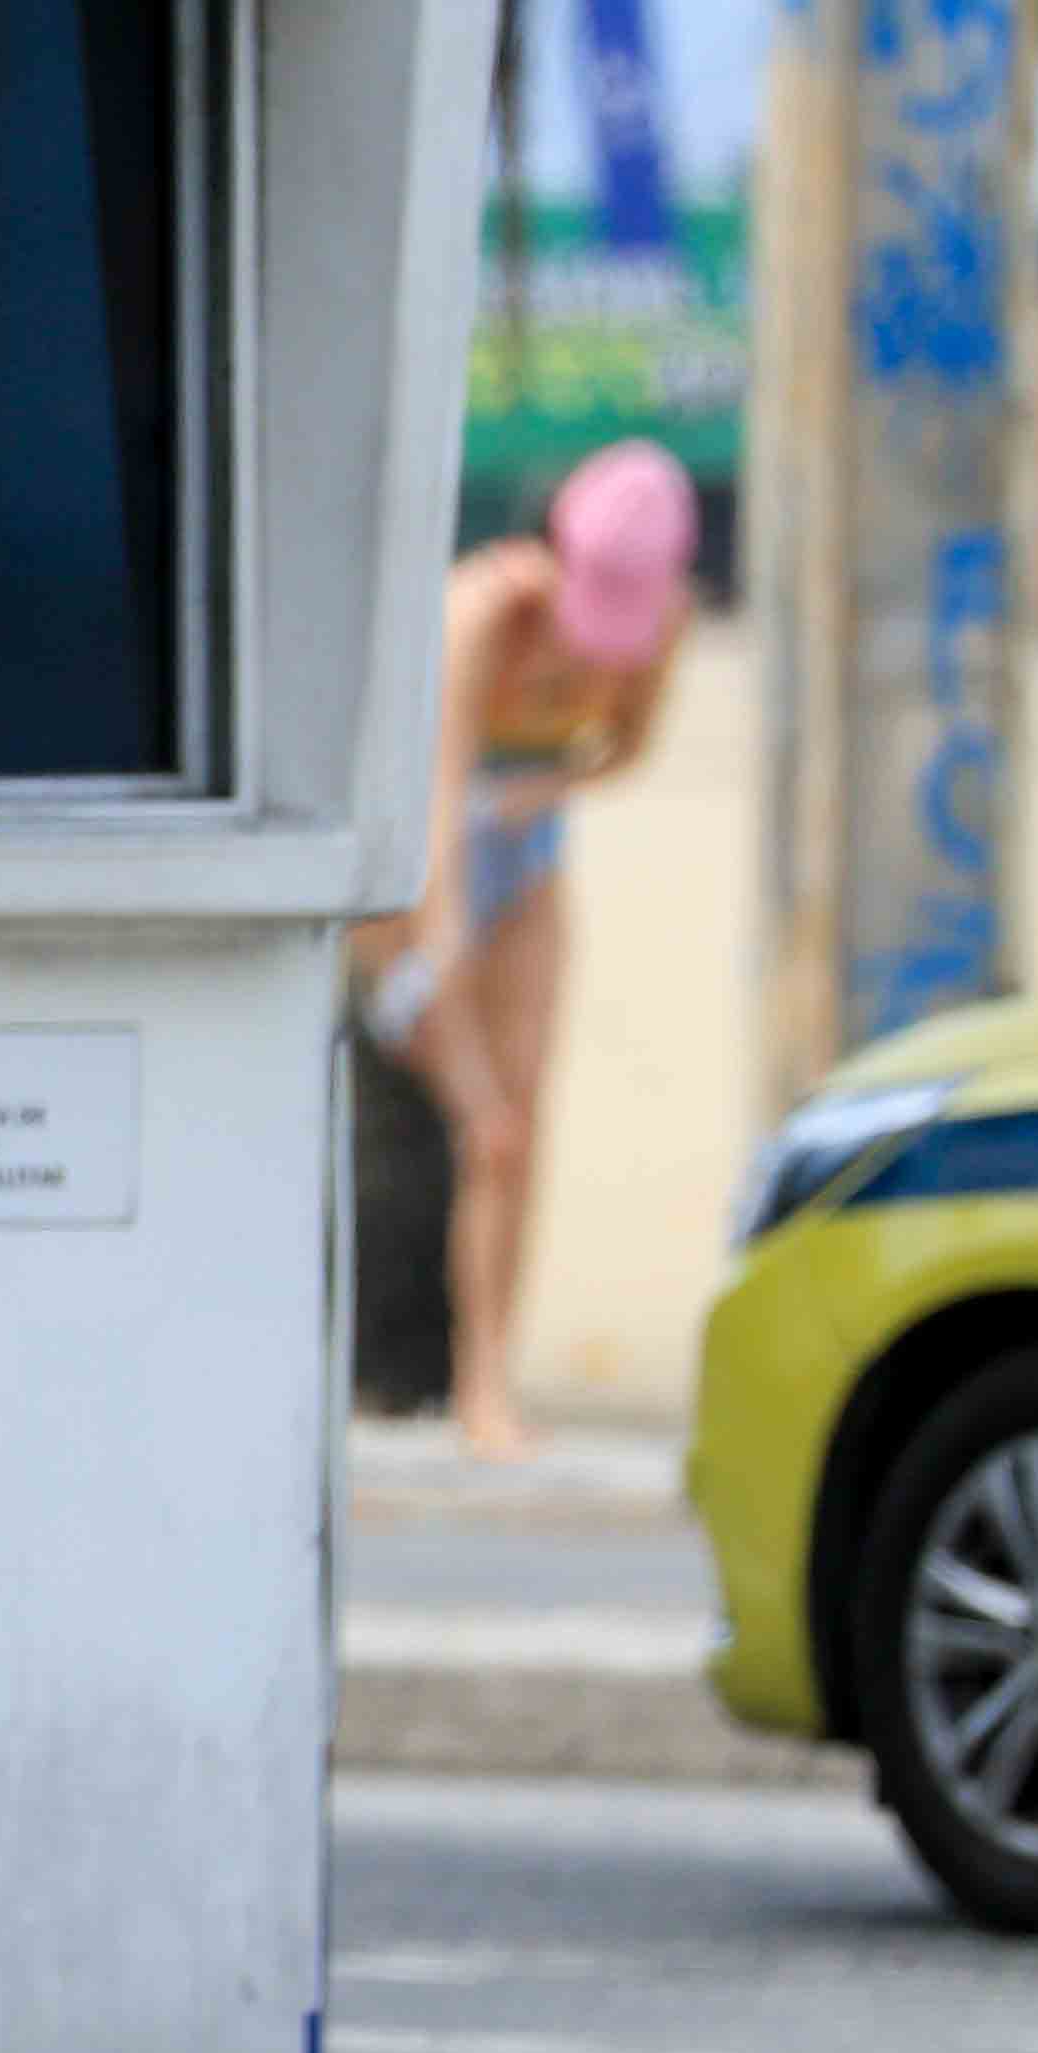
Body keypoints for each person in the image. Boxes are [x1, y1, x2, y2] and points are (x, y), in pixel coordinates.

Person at [351, 439, 695, 1463]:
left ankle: (484, 1382)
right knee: (470, 1115)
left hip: (525, 849)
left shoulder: (659, 630)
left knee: (518, 1127)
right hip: (426, 866)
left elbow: (626, 751)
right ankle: (395, 1360)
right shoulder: (478, 617)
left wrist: (536, 797)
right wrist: (438, 969)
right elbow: (437, 814)